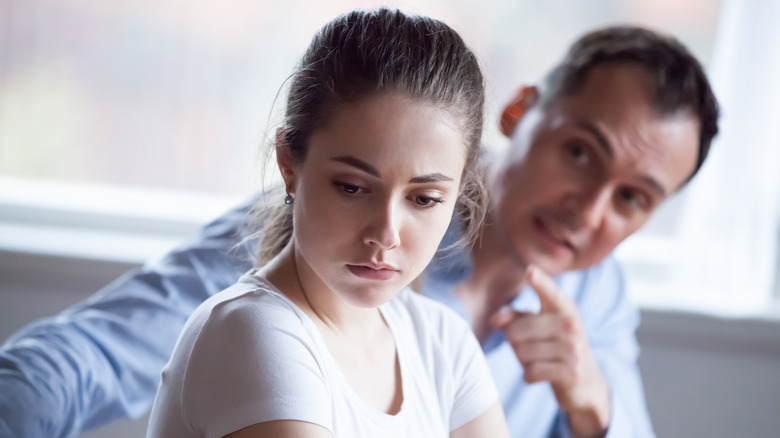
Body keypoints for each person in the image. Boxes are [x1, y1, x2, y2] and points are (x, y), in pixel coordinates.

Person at [0, 23, 718, 438]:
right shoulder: (292, 257)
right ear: (518, 113)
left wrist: (596, 407)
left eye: (632, 198)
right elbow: (79, 357)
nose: (587, 211)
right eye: (579, 153)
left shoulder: (592, 301)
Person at [143, 8, 509, 438]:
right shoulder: (252, 332)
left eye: (424, 198)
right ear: (289, 163)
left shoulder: (443, 343)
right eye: (352, 187)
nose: (386, 234)